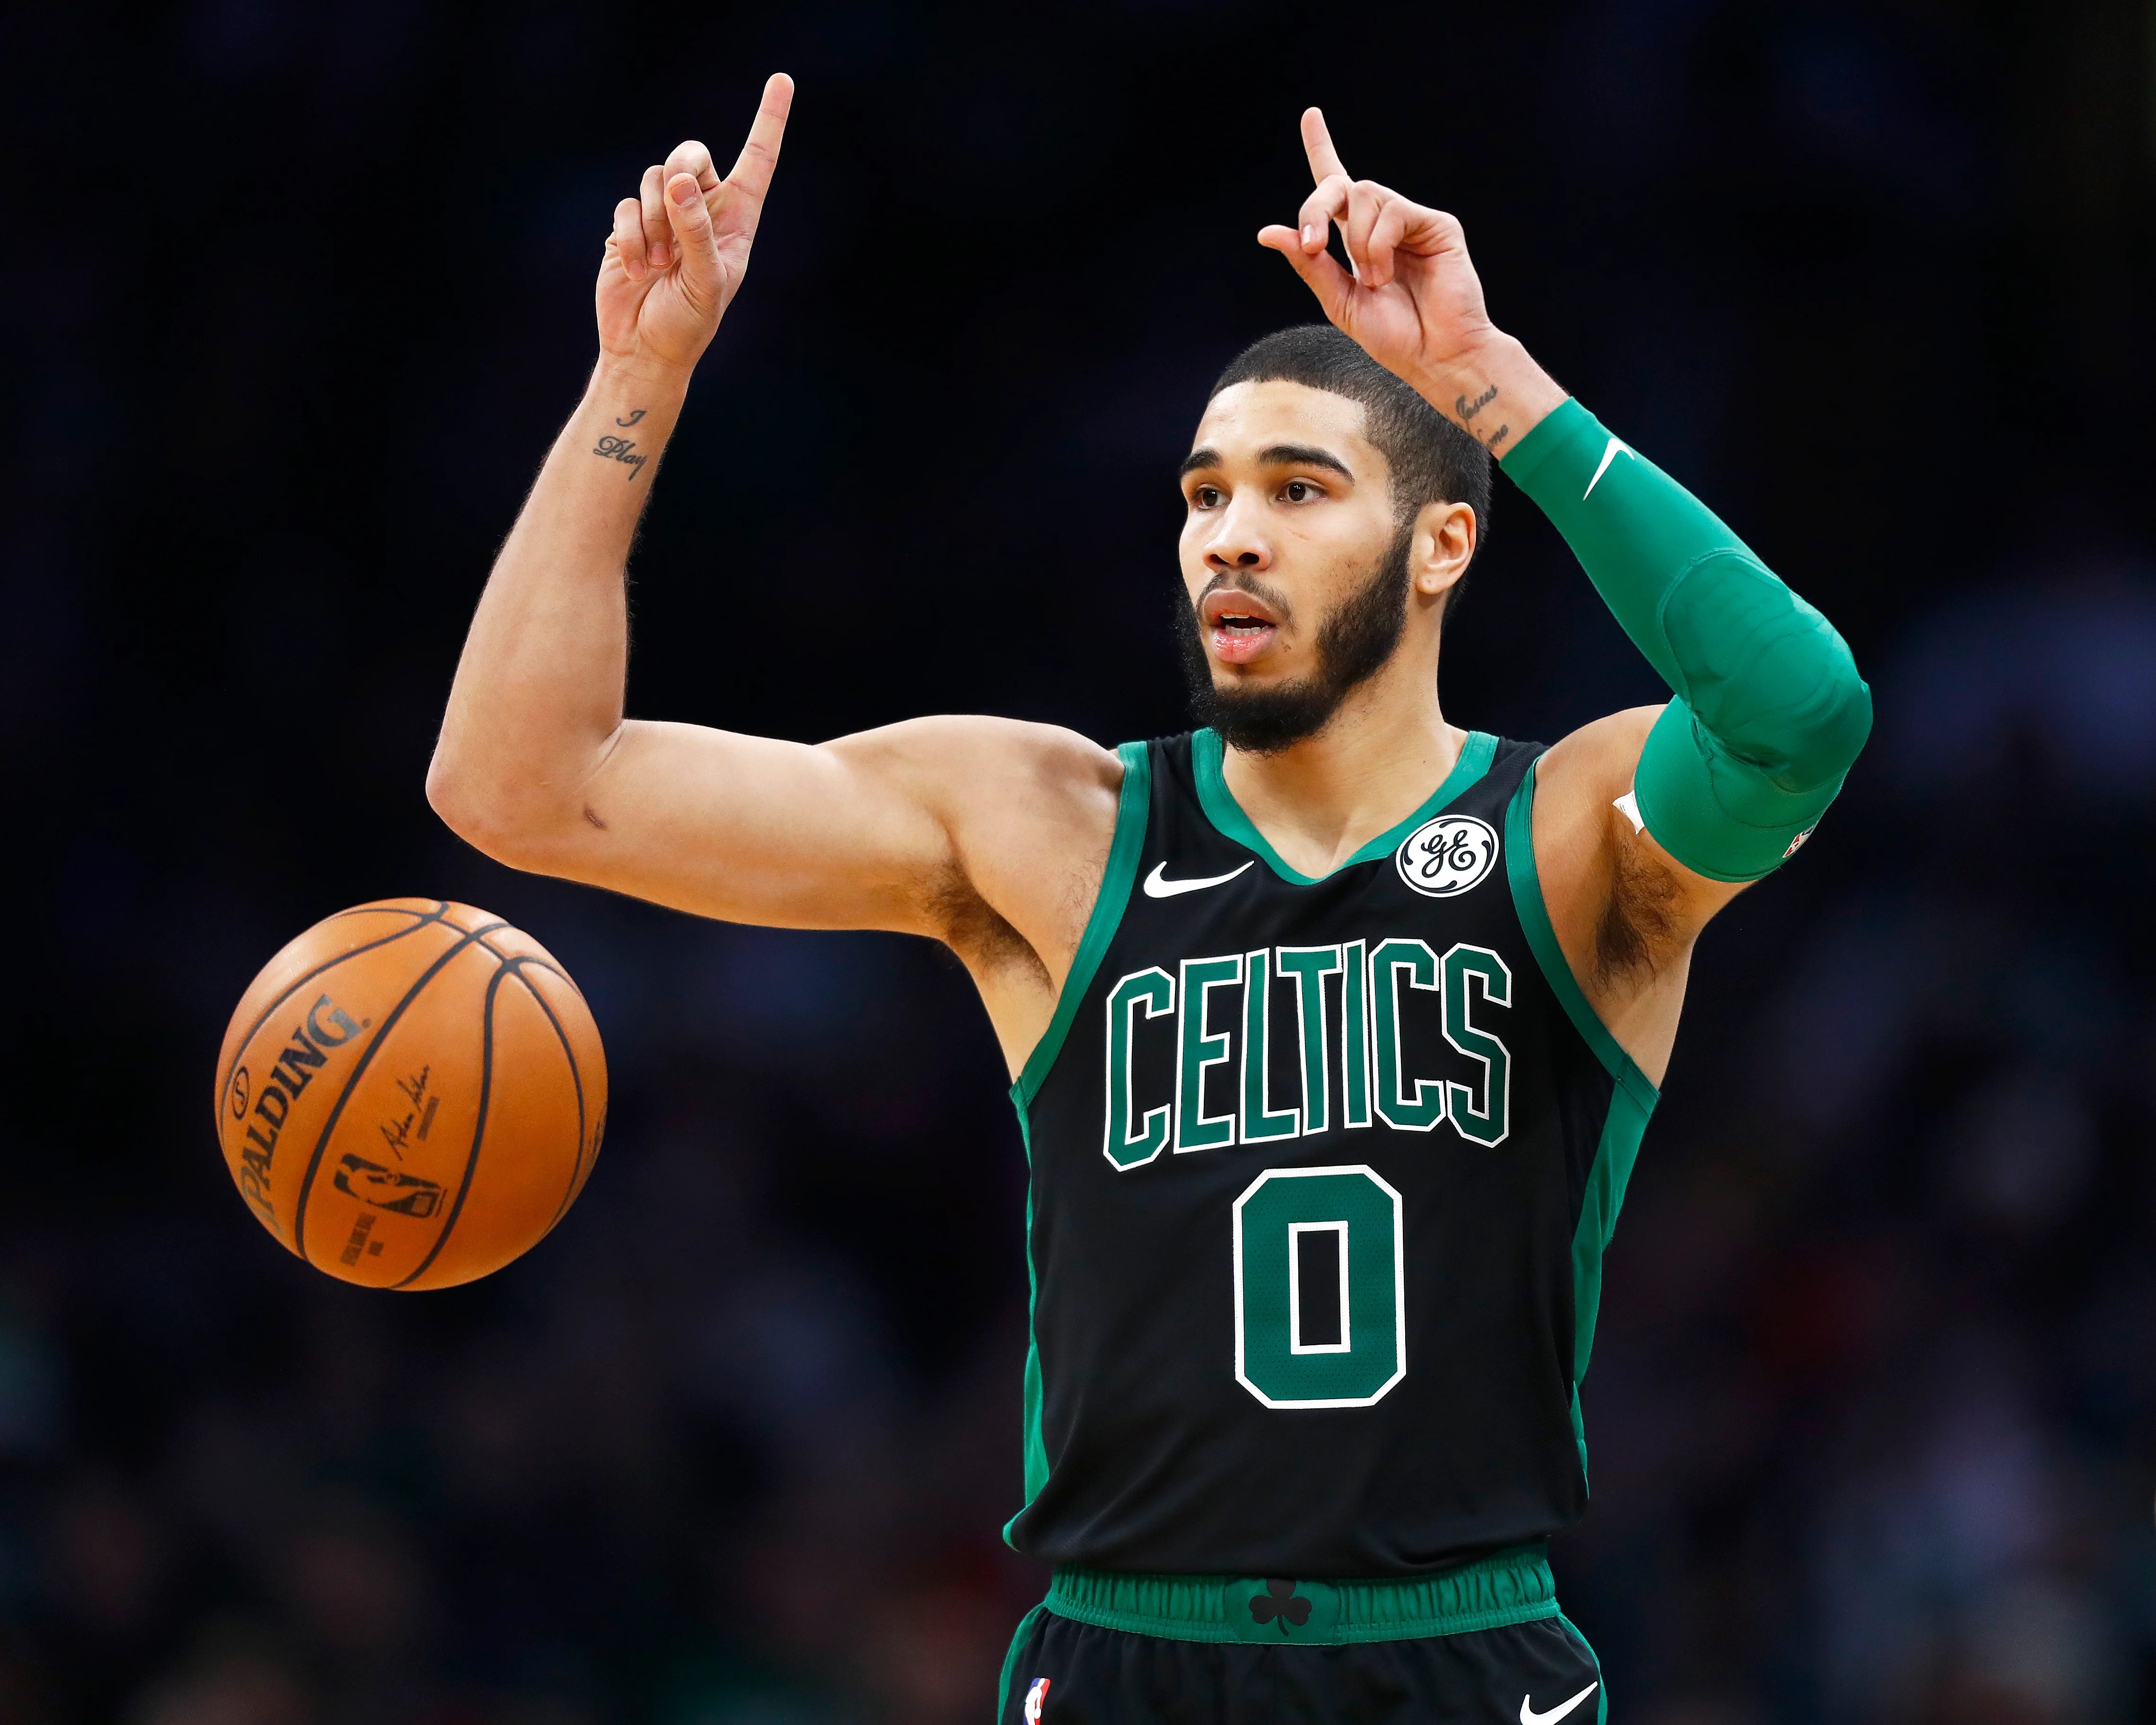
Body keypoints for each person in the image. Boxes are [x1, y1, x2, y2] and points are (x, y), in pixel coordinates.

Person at [426, 73, 1871, 1725]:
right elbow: (520, 784)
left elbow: (1799, 712)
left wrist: (1491, 381)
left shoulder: (1564, 836)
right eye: (1204, 495)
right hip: (1126, 1653)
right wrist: (640, 374)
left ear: (1442, 545)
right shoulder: (1047, 827)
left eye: (1298, 490)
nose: (1230, 537)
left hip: (1464, 1654)